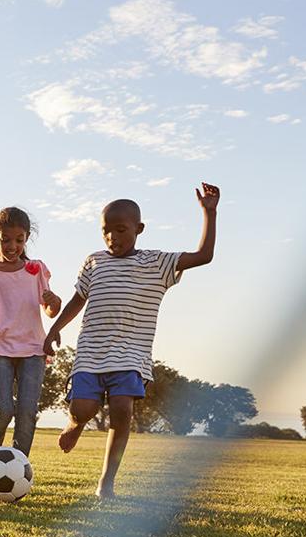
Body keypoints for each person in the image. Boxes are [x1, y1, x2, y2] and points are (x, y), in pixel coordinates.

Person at [43, 183, 221, 498]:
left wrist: (209, 213)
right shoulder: (94, 261)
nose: (113, 237)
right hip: (91, 352)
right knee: (82, 409)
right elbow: (77, 299)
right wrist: (55, 328)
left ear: (139, 229)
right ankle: (75, 424)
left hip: (130, 355)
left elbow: (204, 256)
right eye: (106, 231)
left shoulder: (156, 263)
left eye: (121, 230)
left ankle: (106, 482)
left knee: (122, 410)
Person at [0, 207, 61, 457]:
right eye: (6, 240)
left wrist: (55, 301)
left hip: (33, 348)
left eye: (19, 240)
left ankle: (19, 465)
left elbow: (50, 311)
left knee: (27, 411)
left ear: (26, 238)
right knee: (3, 410)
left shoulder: (36, 270)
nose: (12, 246)